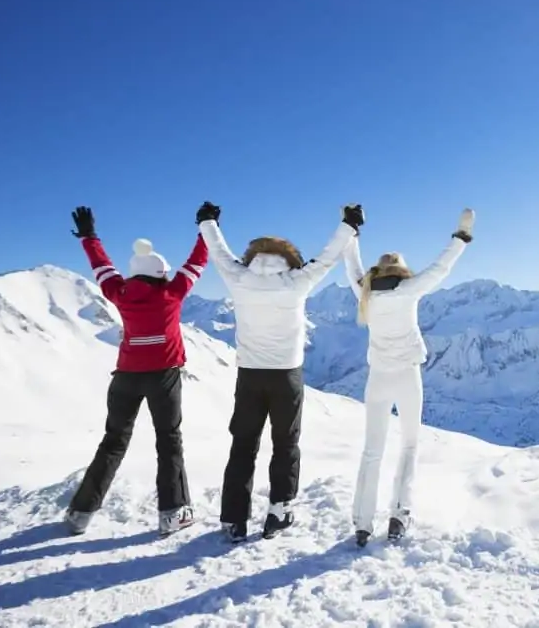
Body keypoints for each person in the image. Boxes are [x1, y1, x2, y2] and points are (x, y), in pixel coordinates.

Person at [197, 201, 365, 542]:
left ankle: (234, 519)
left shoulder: (239, 277)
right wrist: (349, 225)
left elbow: (219, 251)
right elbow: (328, 256)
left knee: (243, 445)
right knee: (285, 444)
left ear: (253, 256)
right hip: (286, 376)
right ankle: (279, 511)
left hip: (249, 375)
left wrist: (207, 222)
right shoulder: (297, 281)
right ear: (290, 258)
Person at [65, 205, 209, 537]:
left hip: (126, 377)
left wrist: (88, 236)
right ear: (161, 274)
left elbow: (101, 266)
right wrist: (205, 229)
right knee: (169, 442)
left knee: (113, 441)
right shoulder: (172, 293)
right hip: (164, 377)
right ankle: (173, 514)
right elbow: (198, 262)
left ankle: (80, 514)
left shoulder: (120, 293)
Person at [345, 208, 474, 546]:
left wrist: (351, 232)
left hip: (377, 379)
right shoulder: (409, 289)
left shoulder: (366, 293)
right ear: (401, 270)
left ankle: (362, 522)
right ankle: (399, 517)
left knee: (372, 450)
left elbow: (352, 267)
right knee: (409, 445)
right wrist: (460, 237)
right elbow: (441, 267)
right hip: (407, 377)